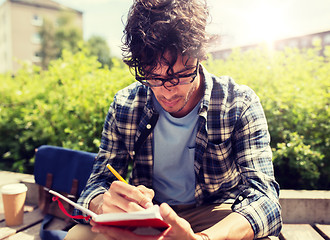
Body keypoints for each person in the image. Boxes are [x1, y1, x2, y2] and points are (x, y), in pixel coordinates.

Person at [65, 0, 282, 239]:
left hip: (216, 216)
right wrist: (104, 203)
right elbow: (97, 183)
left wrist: (205, 239)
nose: (167, 91)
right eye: (153, 77)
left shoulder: (239, 103)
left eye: (179, 75)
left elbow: (265, 198)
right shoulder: (125, 105)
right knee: (78, 237)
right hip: (149, 214)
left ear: (200, 58)